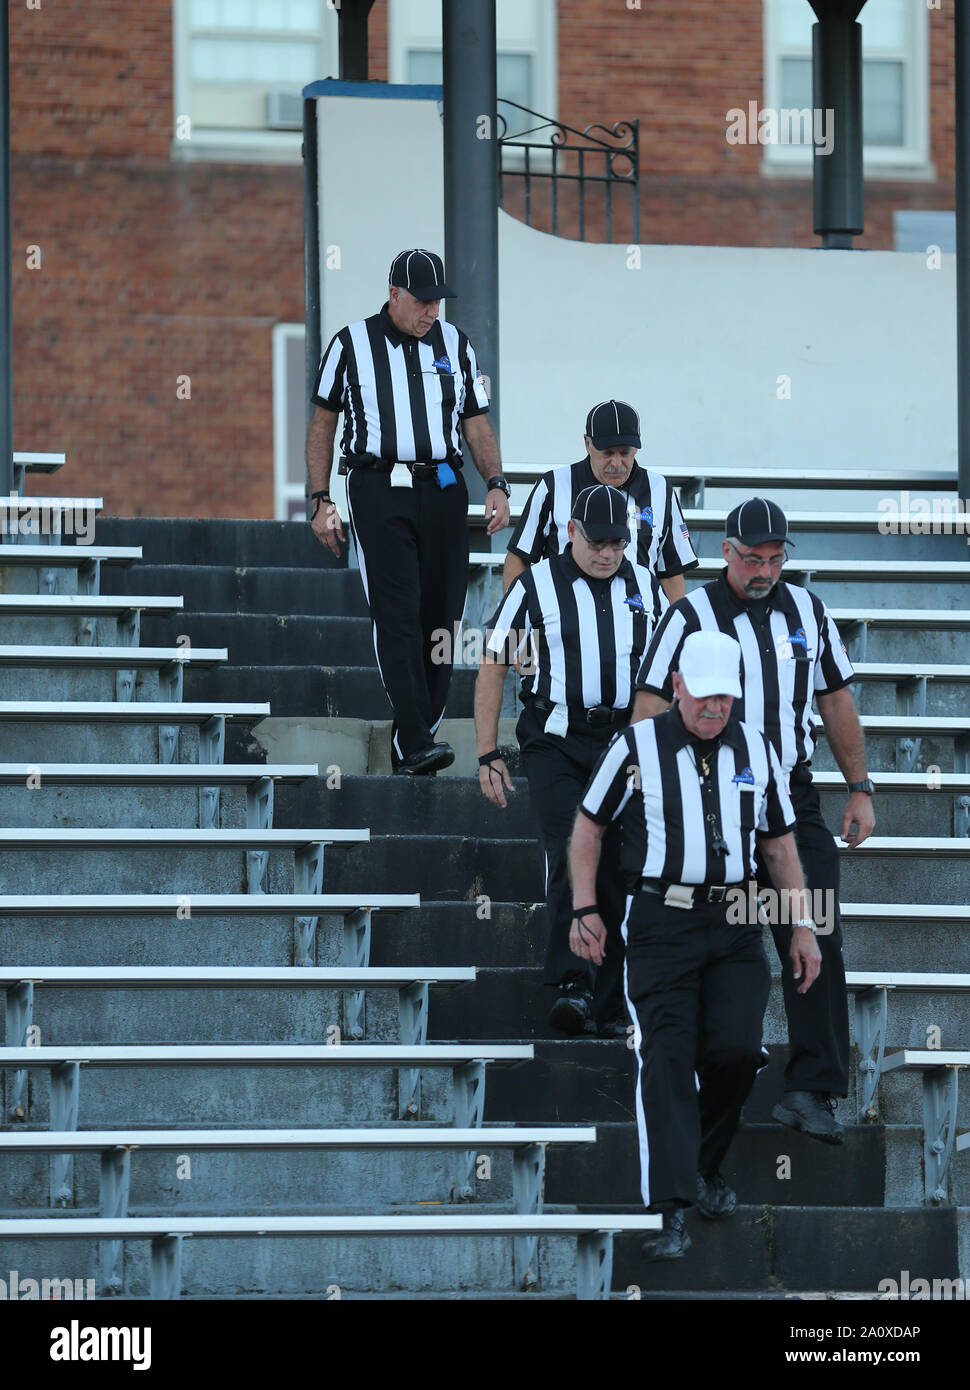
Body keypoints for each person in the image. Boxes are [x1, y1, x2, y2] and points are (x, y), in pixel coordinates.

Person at [570, 630, 821, 1260]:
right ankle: (670, 1208)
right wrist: (584, 909)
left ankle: (705, 1168)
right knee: (667, 1057)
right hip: (659, 920)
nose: (715, 710)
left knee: (738, 1053)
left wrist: (802, 924)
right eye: (704, 697)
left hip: (736, 918)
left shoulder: (756, 747)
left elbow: (779, 845)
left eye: (726, 700)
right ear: (677, 686)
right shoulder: (634, 745)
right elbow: (587, 829)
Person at [633, 497, 876, 1144]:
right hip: (713, 794)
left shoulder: (807, 610)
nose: (764, 570)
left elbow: (835, 697)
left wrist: (860, 787)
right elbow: (651, 705)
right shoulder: (690, 614)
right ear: (725, 551)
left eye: (775, 558)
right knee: (716, 935)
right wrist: (658, 790)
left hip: (791, 792)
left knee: (816, 924)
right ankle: (711, 1085)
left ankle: (811, 1089)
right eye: (752, 558)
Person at [306, 248, 511, 775]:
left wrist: (495, 483)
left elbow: (476, 423)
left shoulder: (454, 344)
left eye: (437, 302)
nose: (431, 313)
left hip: (443, 487)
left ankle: (414, 740)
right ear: (394, 293)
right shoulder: (351, 344)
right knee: (398, 613)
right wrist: (320, 498)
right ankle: (417, 738)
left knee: (444, 617)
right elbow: (323, 424)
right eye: (421, 301)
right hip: (378, 486)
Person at [475, 484, 666, 1036]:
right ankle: (572, 983)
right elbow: (493, 664)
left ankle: (607, 1000)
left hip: (623, 739)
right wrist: (487, 750)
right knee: (566, 846)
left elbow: (667, 677)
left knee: (616, 862)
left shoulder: (647, 587)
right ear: (570, 532)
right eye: (597, 542)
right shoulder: (535, 584)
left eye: (618, 544)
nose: (608, 554)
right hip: (556, 736)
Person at [503, 399, 698, 604]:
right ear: (587, 443)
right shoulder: (553, 485)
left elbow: (670, 572)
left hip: (636, 622)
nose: (616, 463)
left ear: (637, 445)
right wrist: (518, 617)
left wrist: (672, 631)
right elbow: (519, 558)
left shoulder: (660, 490)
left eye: (625, 453)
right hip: (563, 620)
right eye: (607, 453)